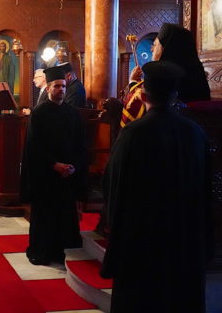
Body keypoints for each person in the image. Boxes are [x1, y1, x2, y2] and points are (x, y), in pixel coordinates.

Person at [101, 61, 211, 313]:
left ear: (144, 95)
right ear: (174, 96)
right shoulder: (195, 133)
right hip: (184, 240)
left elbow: (113, 183)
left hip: (142, 240)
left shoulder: (133, 133)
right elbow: (205, 189)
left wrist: (114, 225)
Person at [23, 65, 87, 266]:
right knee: (44, 214)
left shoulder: (73, 113)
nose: (61, 90)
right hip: (46, 174)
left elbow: (80, 144)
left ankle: (61, 252)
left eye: (64, 86)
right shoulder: (39, 113)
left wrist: (73, 166)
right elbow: (34, 146)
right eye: (57, 86)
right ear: (49, 88)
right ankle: (40, 252)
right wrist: (53, 164)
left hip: (67, 174)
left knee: (64, 214)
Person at [121, 23, 210, 127]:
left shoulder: (164, 81)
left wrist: (132, 83)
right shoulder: (197, 77)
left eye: (155, 45)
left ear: (166, 49)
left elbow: (138, 103)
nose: (151, 49)